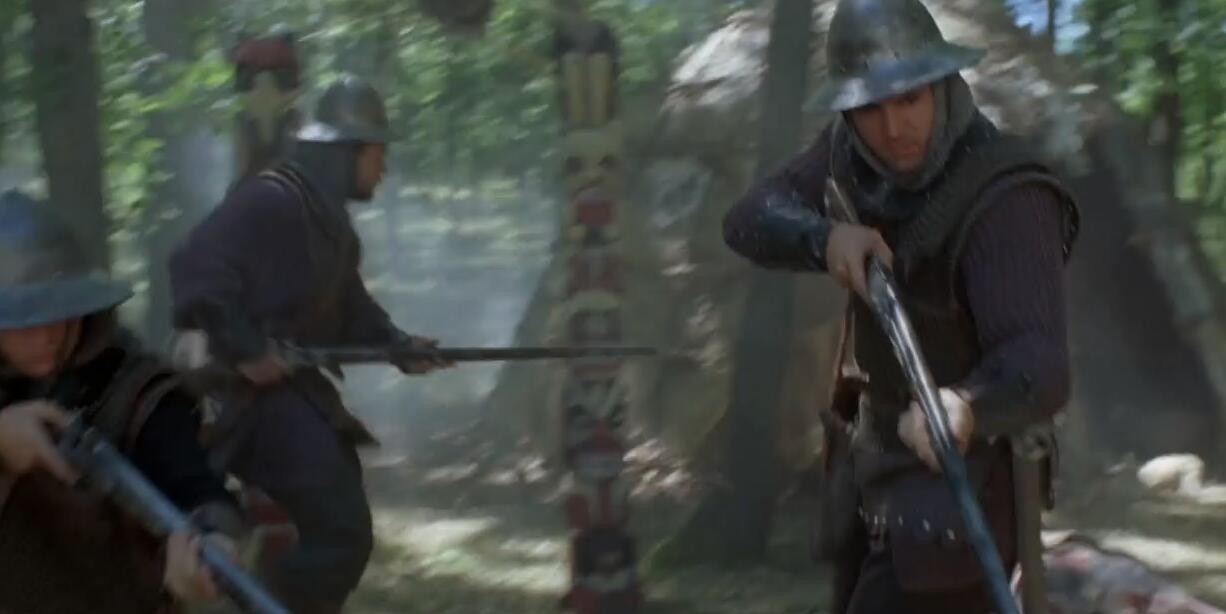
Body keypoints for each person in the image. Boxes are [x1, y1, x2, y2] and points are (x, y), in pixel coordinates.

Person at [721, 0, 1080, 612]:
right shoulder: (848, 155)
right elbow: (748, 219)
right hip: (875, 473)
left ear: (942, 84)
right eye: (870, 108)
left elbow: (1039, 364)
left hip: (966, 488)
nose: (893, 128)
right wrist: (825, 238)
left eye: (910, 98)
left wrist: (966, 404)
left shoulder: (1006, 195)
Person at [168, 74, 452, 613]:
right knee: (343, 533)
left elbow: (348, 310)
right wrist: (247, 349)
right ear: (349, 152)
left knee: (341, 528)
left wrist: (398, 345)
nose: (384, 169)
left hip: (277, 396)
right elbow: (193, 264)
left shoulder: (327, 224)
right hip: (229, 393)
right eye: (377, 154)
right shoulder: (271, 198)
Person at [0, 189, 246, 613]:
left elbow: (197, 491)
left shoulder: (135, 391)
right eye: (23, 321)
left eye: (58, 312)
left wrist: (212, 540)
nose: (46, 336)